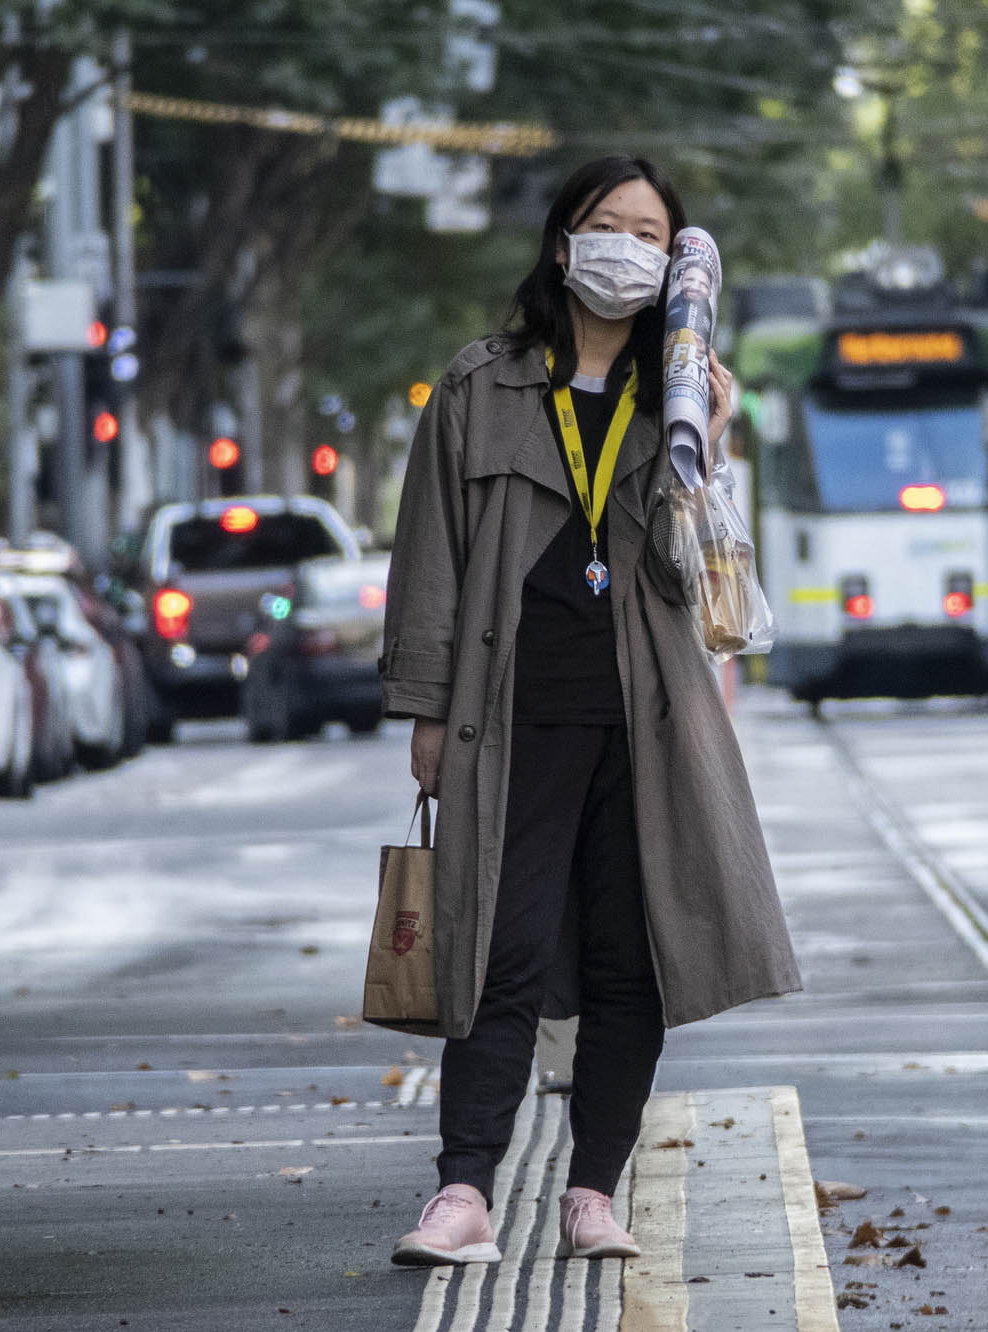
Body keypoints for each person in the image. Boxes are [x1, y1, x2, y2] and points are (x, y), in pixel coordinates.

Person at [380, 155, 801, 1266]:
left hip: (648, 718)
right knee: (493, 951)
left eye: (649, 233)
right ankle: (461, 1191)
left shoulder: (684, 396)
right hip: (508, 713)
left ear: (677, 263)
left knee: (631, 958)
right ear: (563, 245)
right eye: (605, 225)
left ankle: (591, 1193)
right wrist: (425, 709)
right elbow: (430, 556)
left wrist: (706, 441)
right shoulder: (481, 386)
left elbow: (703, 578)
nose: (626, 247)